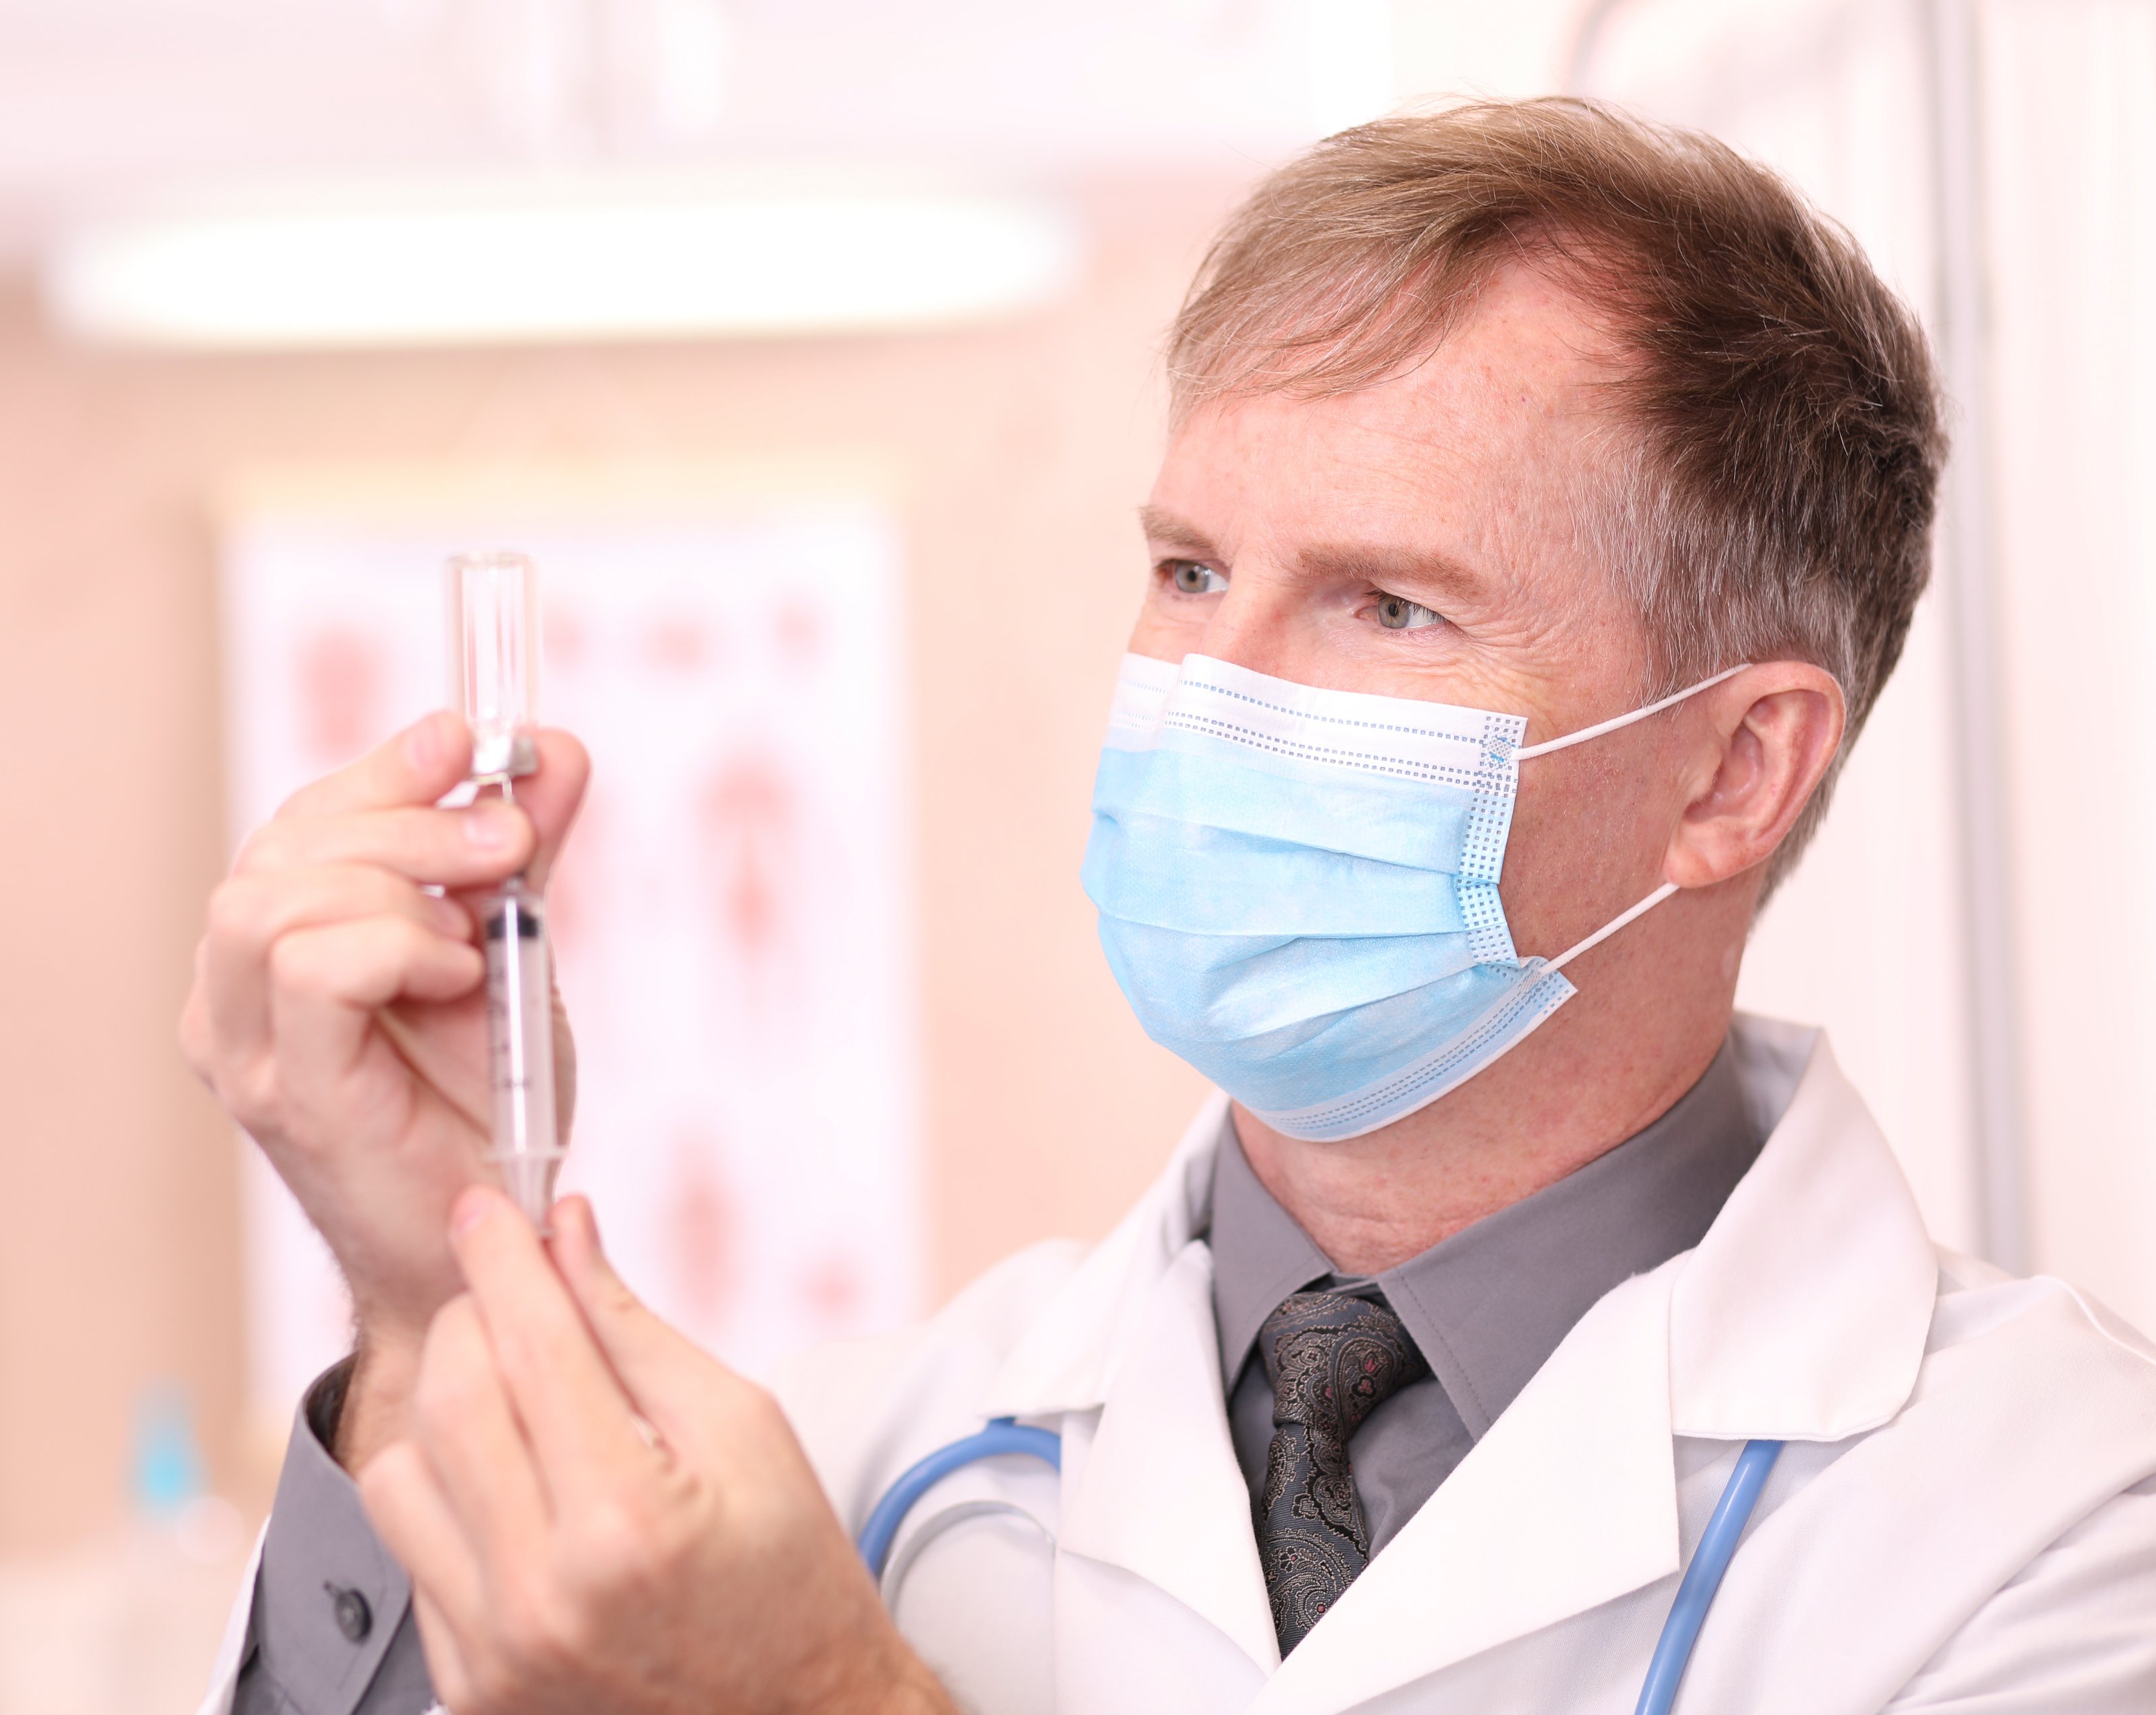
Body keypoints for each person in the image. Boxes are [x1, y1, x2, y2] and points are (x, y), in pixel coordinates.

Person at [180, 100, 2156, 1715]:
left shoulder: (2049, 1525)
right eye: (1193, 571)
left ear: (1733, 770)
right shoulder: (904, 1444)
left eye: (1387, 602)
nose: (1214, 692)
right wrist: (436, 1293)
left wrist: (819, 1706)